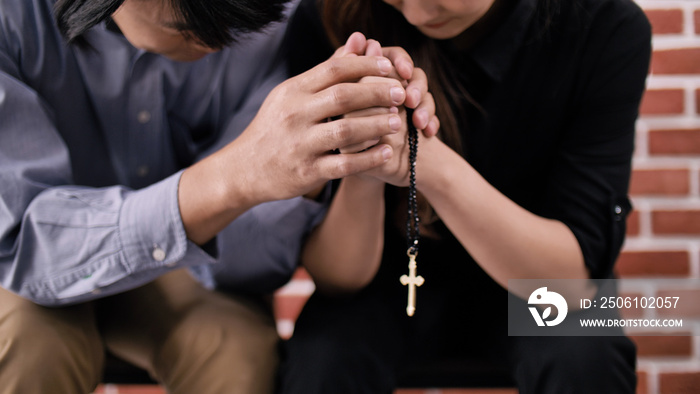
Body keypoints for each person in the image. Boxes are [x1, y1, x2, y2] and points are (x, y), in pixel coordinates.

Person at [0, 0, 439, 393]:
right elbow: (20, 246)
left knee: (237, 351)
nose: (428, 8)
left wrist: (340, 162)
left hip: (508, 300)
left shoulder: (281, 20)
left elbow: (260, 266)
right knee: (33, 346)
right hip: (23, 275)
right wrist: (242, 175)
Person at [278, 0, 652, 393]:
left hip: (534, 279)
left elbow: (571, 283)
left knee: (583, 357)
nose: (418, 15)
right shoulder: (330, 16)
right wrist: (366, 156)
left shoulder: (601, 23)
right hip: (382, 286)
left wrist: (425, 160)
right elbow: (336, 277)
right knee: (321, 360)